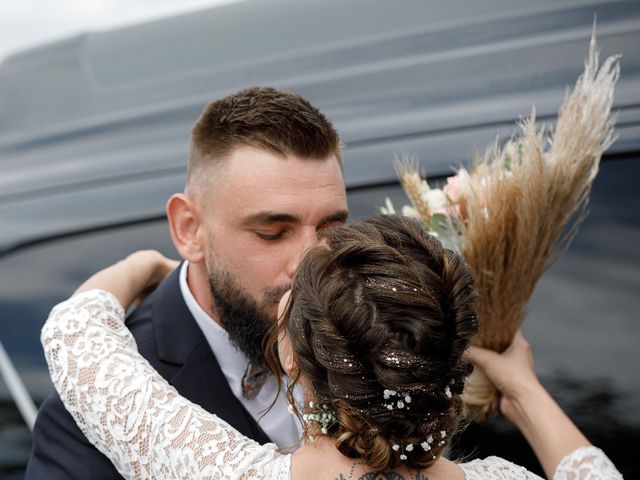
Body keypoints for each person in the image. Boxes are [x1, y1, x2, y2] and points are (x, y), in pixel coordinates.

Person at [41, 215, 621, 479]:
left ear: (291, 358)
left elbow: (74, 336)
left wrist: (140, 265)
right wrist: (524, 393)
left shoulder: (211, 468)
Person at [26, 86, 349, 479]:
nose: (308, 262)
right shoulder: (93, 411)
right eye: (273, 232)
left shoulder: (388, 335)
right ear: (189, 229)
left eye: (331, 229)